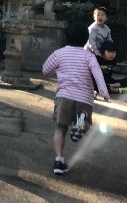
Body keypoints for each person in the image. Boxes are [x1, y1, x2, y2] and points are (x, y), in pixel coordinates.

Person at [43, 34, 110, 175]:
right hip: (84, 98)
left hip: (64, 96)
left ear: (67, 37)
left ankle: (58, 160)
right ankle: (81, 121)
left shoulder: (59, 53)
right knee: (84, 121)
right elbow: (97, 73)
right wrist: (104, 91)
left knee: (60, 128)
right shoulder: (89, 56)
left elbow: (45, 70)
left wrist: (57, 71)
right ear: (85, 39)